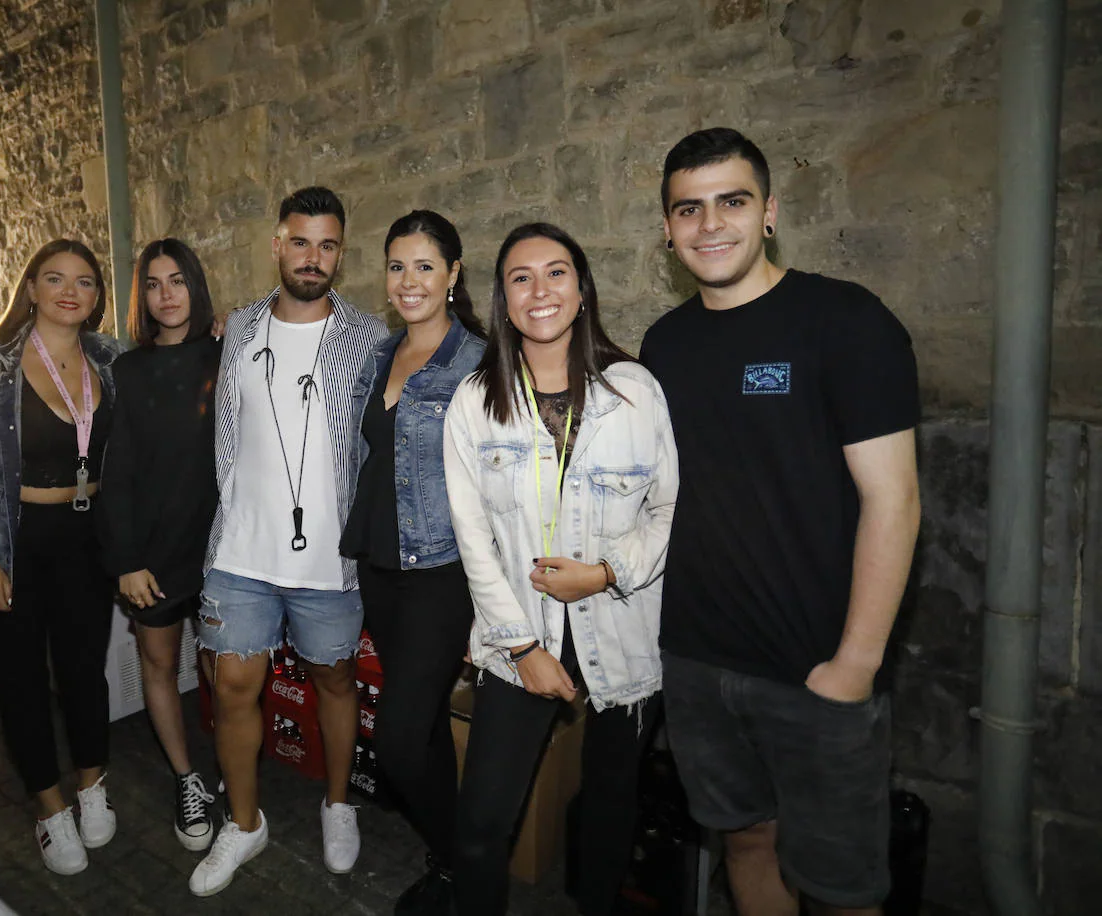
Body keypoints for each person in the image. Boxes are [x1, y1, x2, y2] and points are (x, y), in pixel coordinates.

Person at [640, 127, 921, 915]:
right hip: (696, 660)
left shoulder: (844, 321)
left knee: (841, 886)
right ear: (667, 230)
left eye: (731, 201)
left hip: (815, 667)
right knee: (745, 842)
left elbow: (893, 499)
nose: (710, 224)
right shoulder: (664, 345)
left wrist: (855, 666)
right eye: (688, 209)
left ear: (768, 211)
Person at [444, 223, 677, 916]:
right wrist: (522, 649)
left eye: (556, 273)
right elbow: (472, 539)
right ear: (503, 299)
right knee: (482, 826)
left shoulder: (636, 391)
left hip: (624, 632)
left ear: (582, 291)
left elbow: (666, 510)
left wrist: (605, 573)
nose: (539, 290)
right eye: (521, 277)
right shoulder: (475, 402)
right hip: (519, 637)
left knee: (610, 815)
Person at [190, 186, 388, 897]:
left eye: (327, 244)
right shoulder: (239, 328)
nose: (313, 257)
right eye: (300, 242)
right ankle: (244, 823)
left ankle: (339, 803)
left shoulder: (368, 337)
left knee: (335, 679)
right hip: (241, 550)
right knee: (233, 686)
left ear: (341, 251)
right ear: (277, 244)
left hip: (327, 557)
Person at [0, 239, 124, 876]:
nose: (71, 290)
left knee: (82, 671)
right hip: (10, 541)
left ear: (97, 298)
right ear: (32, 289)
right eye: (55, 278)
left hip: (86, 539)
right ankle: (48, 806)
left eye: (86, 282)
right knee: (18, 681)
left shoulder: (113, 359)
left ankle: (92, 783)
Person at [338, 210, 486, 914]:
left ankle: (464, 863)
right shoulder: (379, 355)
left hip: (441, 570)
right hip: (380, 563)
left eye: (425, 265)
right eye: (397, 265)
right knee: (420, 724)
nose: (409, 280)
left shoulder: (480, 362)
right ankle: (452, 862)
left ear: (454, 275)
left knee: (396, 739)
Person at [98, 238, 221, 853]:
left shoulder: (230, 355)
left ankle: (233, 769)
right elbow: (116, 470)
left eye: (177, 281)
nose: (167, 294)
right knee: (159, 665)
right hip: (154, 549)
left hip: (223, 547)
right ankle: (187, 778)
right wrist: (126, 559)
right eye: (154, 283)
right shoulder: (129, 369)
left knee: (226, 673)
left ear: (195, 287)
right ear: (142, 296)